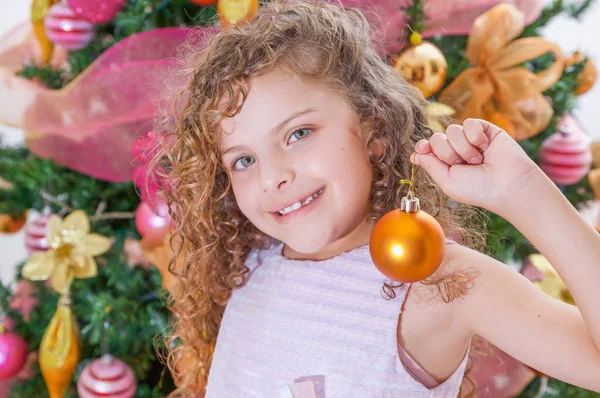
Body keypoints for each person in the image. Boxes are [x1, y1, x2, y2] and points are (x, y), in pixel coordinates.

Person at [153, 1, 600, 397]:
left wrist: (526, 192)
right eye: (243, 160)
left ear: (375, 130)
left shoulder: (439, 285)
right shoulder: (250, 266)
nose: (273, 177)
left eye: (298, 133)